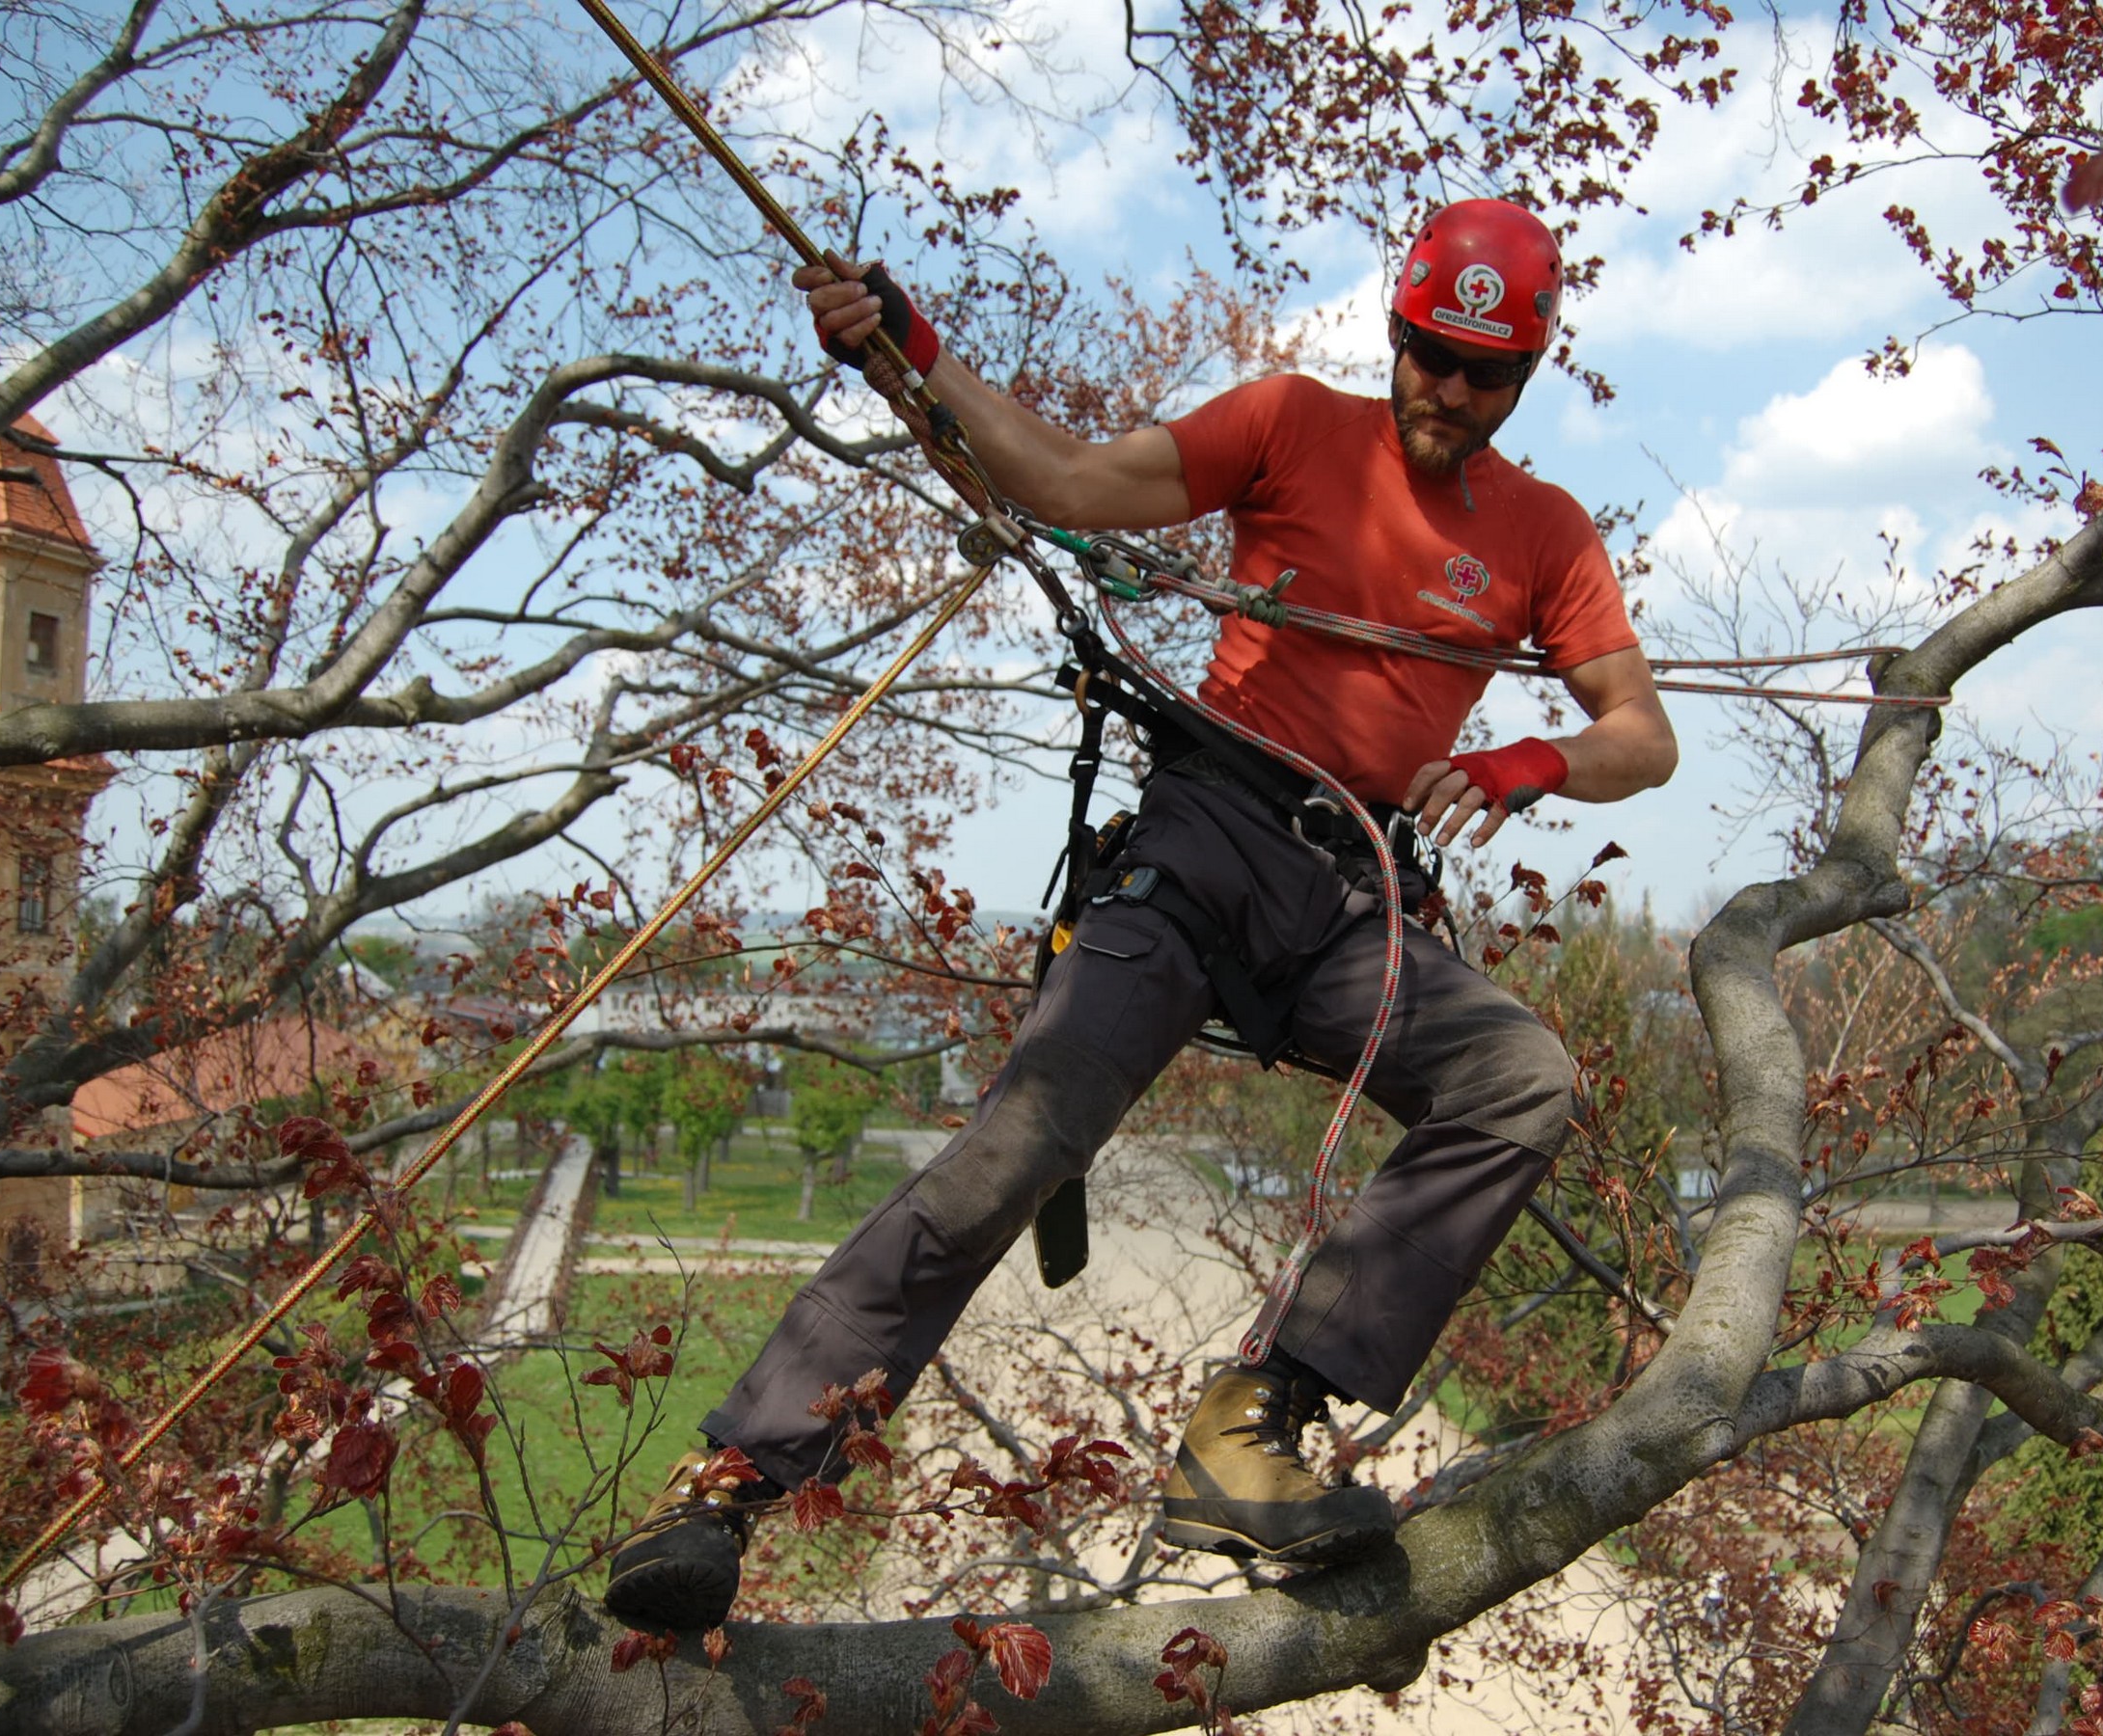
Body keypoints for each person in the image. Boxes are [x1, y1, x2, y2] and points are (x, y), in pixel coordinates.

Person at [603, 200, 1678, 1632]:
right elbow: (1064, 478)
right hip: (1203, 839)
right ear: (1396, 330)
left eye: (1486, 373)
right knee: (1018, 1147)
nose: (1448, 390)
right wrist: (911, 348)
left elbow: (1642, 734)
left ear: (1530, 373)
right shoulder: (1291, 426)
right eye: (1429, 354)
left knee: (1520, 1078)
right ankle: (732, 1476)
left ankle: (1254, 1421)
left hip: (1352, 895)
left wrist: (1533, 759)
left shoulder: (1544, 534)